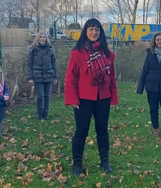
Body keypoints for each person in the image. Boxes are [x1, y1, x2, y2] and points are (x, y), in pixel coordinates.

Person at [65, 18, 118, 176]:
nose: (94, 32)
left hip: (103, 97)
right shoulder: (78, 53)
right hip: (83, 99)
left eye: (97, 30)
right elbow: (70, 78)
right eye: (91, 29)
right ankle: (77, 164)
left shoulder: (107, 54)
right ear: (85, 32)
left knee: (102, 130)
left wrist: (113, 98)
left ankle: (105, 162)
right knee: (81, 131)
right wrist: (73, 99)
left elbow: (112, 78)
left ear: (100, 33)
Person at [27, 32, 58, 120]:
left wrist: (56, 76)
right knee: (40, 95)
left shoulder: (50, 49)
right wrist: (30, 77)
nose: (42, 38)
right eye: (40, 37)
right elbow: (29, 65)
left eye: (44, 37)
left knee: (47, 95)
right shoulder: (33, 50)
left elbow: (53, 64)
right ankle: (39, 114)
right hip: (37, 76)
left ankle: (46, 113)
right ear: (37, 39)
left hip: (49, 75)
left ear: (46, 39)